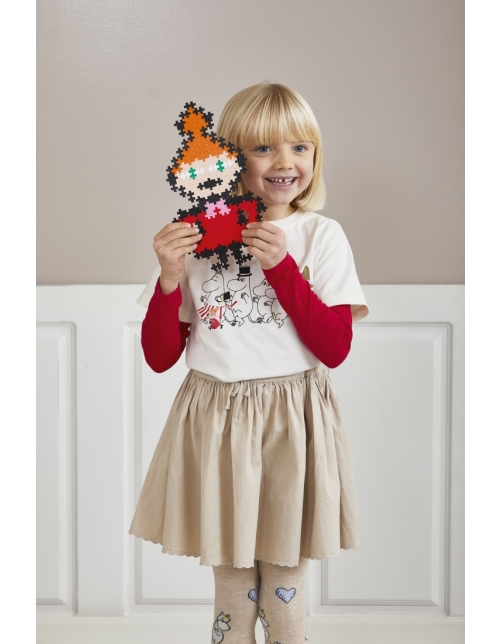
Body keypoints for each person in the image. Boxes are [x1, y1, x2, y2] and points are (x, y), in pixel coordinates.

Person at [129, 82, 369, 644]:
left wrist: (283, 268)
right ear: (229, 158)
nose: (285, 162)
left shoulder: (321, 236)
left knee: (285, 585)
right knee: (233, 587)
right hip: (214, 419)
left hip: (292, 419)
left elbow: (335, 347)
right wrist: (168, 278)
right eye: (264, 148)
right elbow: (160, 357)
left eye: (300, 147)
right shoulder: (197, 238)